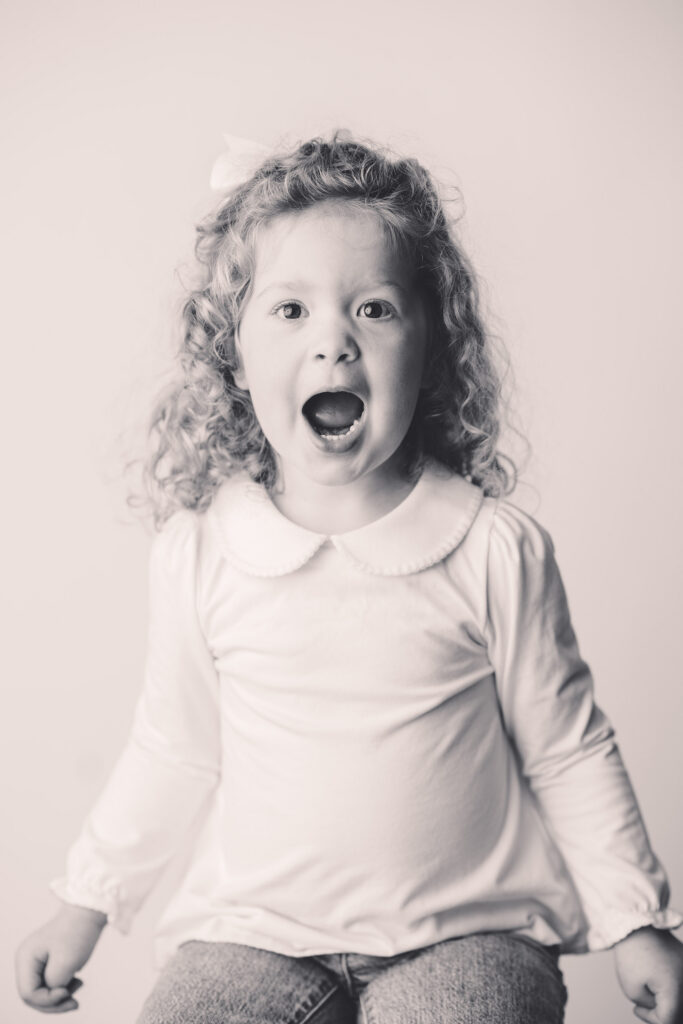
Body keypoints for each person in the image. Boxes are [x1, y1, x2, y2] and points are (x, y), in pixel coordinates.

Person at [15, 133, 683, 1023]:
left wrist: (634, 919)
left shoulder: (489, 548)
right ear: (234, 357)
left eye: (373, 309)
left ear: (432, 346)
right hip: (254, 932)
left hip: (466, 932)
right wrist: (85, 901)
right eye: (289, 311)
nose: (332, 343)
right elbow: (173, 747)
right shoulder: (204, 551)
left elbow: (565, 747)